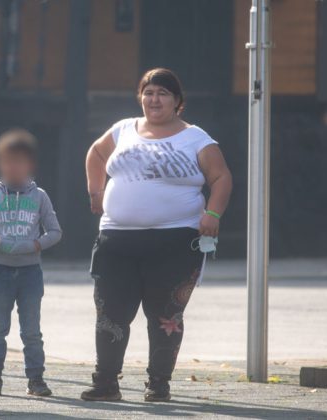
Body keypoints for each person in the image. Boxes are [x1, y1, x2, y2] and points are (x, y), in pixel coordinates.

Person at [81, 68, 232, 402]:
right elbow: (96, 153)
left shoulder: (196, 138)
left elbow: (221, 178)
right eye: (148, 93)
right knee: (110, 312)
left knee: (165, 315)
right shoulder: (123, 129)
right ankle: (106, 382)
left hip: (174, 242)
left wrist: (212, 214)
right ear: (140, 97)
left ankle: (158, 383)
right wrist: (96, 191)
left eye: (163, 93)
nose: (154, 99)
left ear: (177, 101)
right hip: (117, 239)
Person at [0, 129, 62, 397]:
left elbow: (55, 232)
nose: (13, 167)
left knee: (31, 331)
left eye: (19, 161)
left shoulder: (39, 196)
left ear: (30, 164)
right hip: (0, 271)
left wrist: (36, 244)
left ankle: (36, 380)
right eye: (7, 161)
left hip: (30, 272)